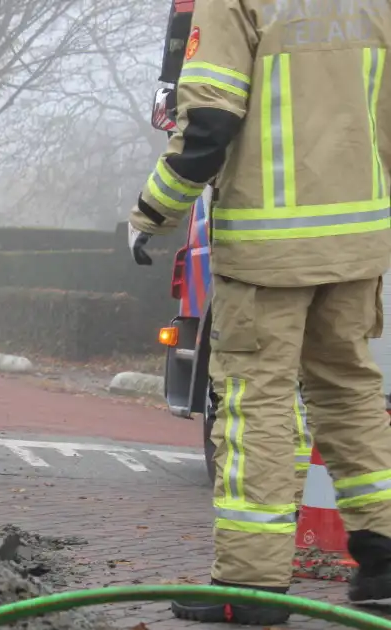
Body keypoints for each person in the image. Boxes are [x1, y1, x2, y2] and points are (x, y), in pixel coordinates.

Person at [126, 1, 391, 623]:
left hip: (268, 246)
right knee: (349, 390)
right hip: (358, 239)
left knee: (258, 400)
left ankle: (251, 587)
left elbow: (209, 124)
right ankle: (384, 555)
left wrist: (152, 213)